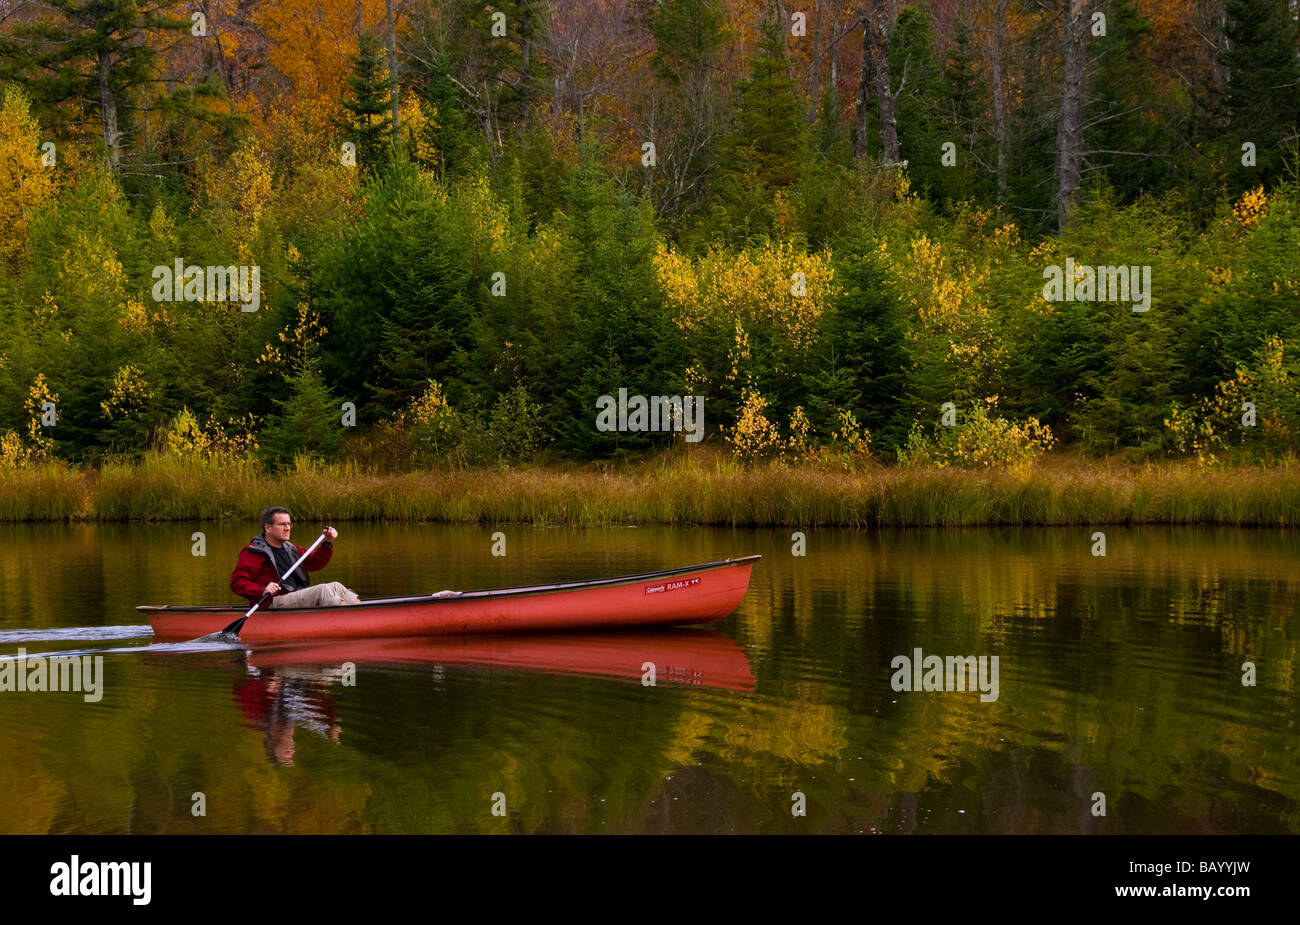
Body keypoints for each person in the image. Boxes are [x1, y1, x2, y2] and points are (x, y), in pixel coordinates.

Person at [230, 507, 361, 608]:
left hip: (294, 597)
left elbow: (315, 562)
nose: (287, 528)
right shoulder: (253, 551)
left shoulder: (290, 549)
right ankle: (349, 619)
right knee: (323, 589)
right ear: (268, 528)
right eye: (282, 524)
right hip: (271, 602)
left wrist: (327, 543)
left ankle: (360, 613)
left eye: (289, 524)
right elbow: (237, 583)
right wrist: (262, 589)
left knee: (336, 586)